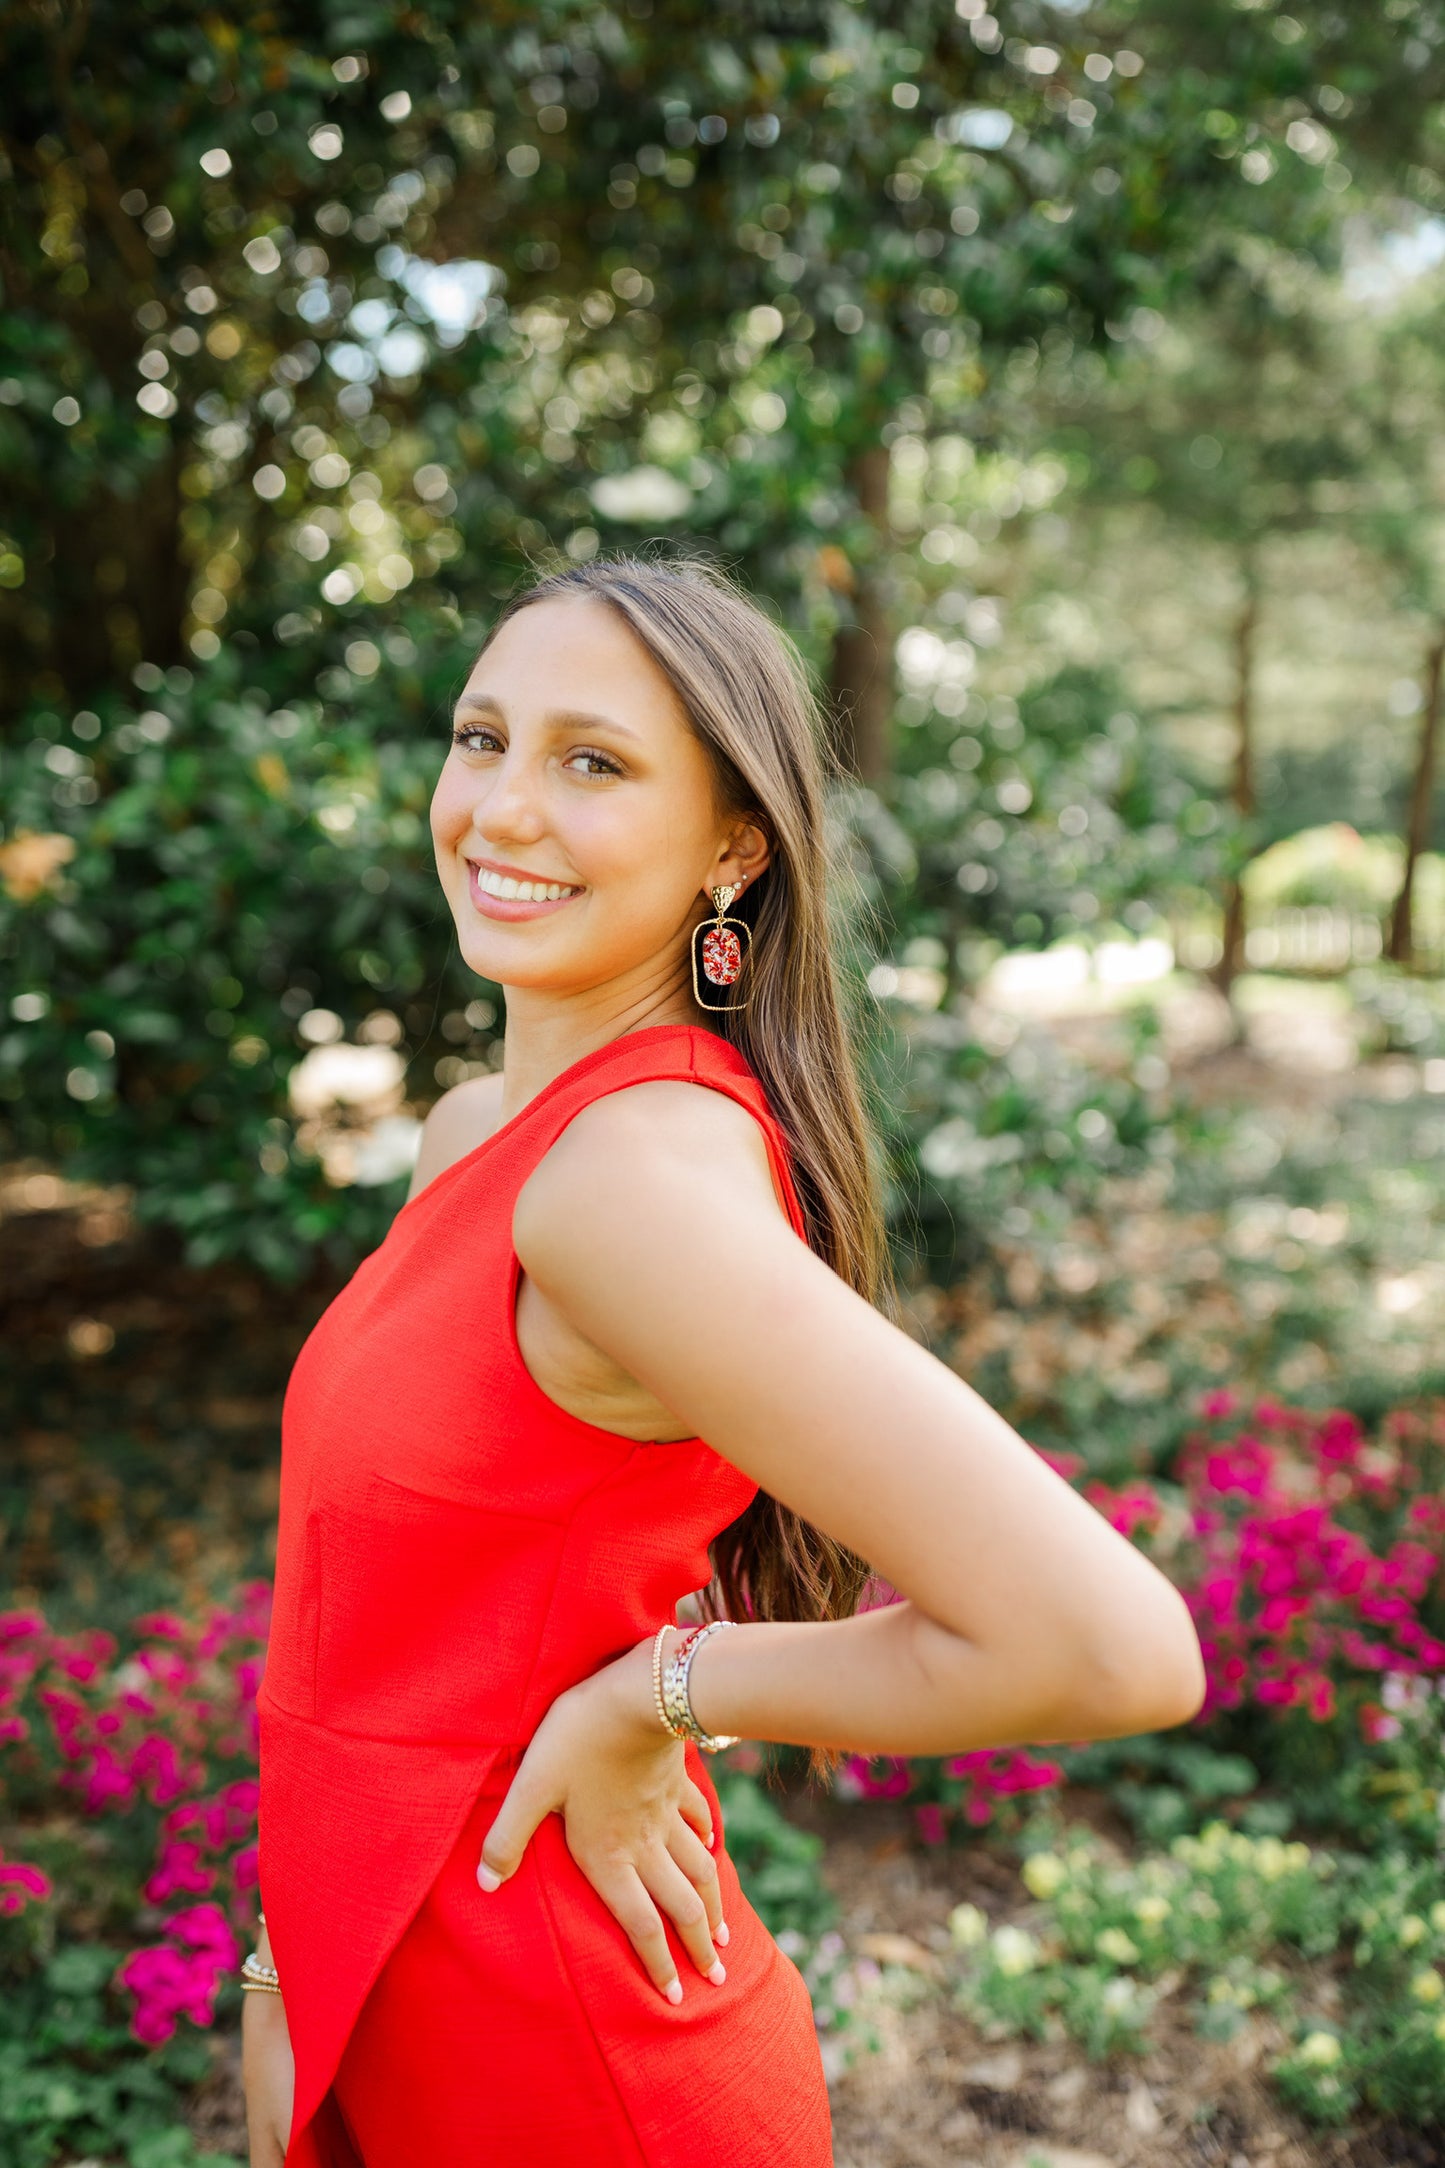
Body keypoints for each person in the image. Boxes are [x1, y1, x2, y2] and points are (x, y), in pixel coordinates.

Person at [243, 553, 1204, 2167]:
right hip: (386, 1982)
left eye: (593, 762)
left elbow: (1112, 1647)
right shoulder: (481, 1134)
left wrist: (658, 1694)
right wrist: (292, 1959)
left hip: (560, 2059)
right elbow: (380, 1640)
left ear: (731, 850)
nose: (500, 808)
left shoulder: (629, 1190)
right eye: (482, 738)